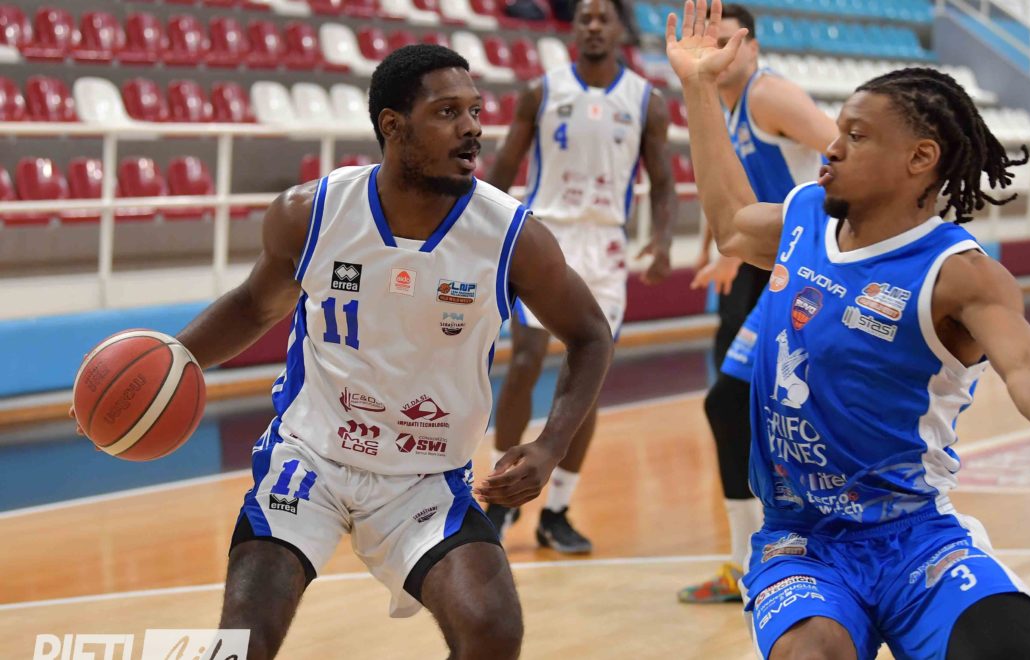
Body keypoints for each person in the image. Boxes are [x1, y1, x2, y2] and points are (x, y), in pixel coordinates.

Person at [666, 1, 1030, 657]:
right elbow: (730, 223)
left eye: (856, 136)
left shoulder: (959, 274)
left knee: (1013, 646)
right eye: (839, 130)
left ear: (920, 157)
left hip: (917, 538)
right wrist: (698, 87)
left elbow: (1028, 361)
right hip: (802, 544)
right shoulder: (804, 215)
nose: (831, 146)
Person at [165, 45, 611, 660]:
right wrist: (170, 362)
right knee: (244, 638)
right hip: (311, 458)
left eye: (475, 111)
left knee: (493, 631)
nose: (472, 128)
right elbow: (253, 307)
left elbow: (590, 334)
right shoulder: (312, 214)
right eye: (448, 112)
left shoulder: (512, 236)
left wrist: (550, 445)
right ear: (393, 126)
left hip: (425, 477)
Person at [483, 0, 677, 554]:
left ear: (618, 28)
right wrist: (479, 230)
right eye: (585, 18)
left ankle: (558, 510)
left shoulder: (646, 100)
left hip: (607, 244)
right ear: (573, 29)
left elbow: (663, 180)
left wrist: (663, 240)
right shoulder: (540, 91)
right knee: (525, 360)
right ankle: (499, 499)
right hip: (546, 235)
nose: (593, 26)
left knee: (587, 378)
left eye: (603, 18)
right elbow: (503, 167)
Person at [680, 2, 838, 605]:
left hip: (805, 268)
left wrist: (826, 244)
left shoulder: (770, 96)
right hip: (764, 264)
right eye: (709, 43)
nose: (716, 54)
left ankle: (775, 556)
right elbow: (728, 189)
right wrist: (724, 251)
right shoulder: (721, 105)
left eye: (726, 41)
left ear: (751, 46)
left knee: (739, 405)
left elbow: (846, 155)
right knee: (735, 408)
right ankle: (753, 559)